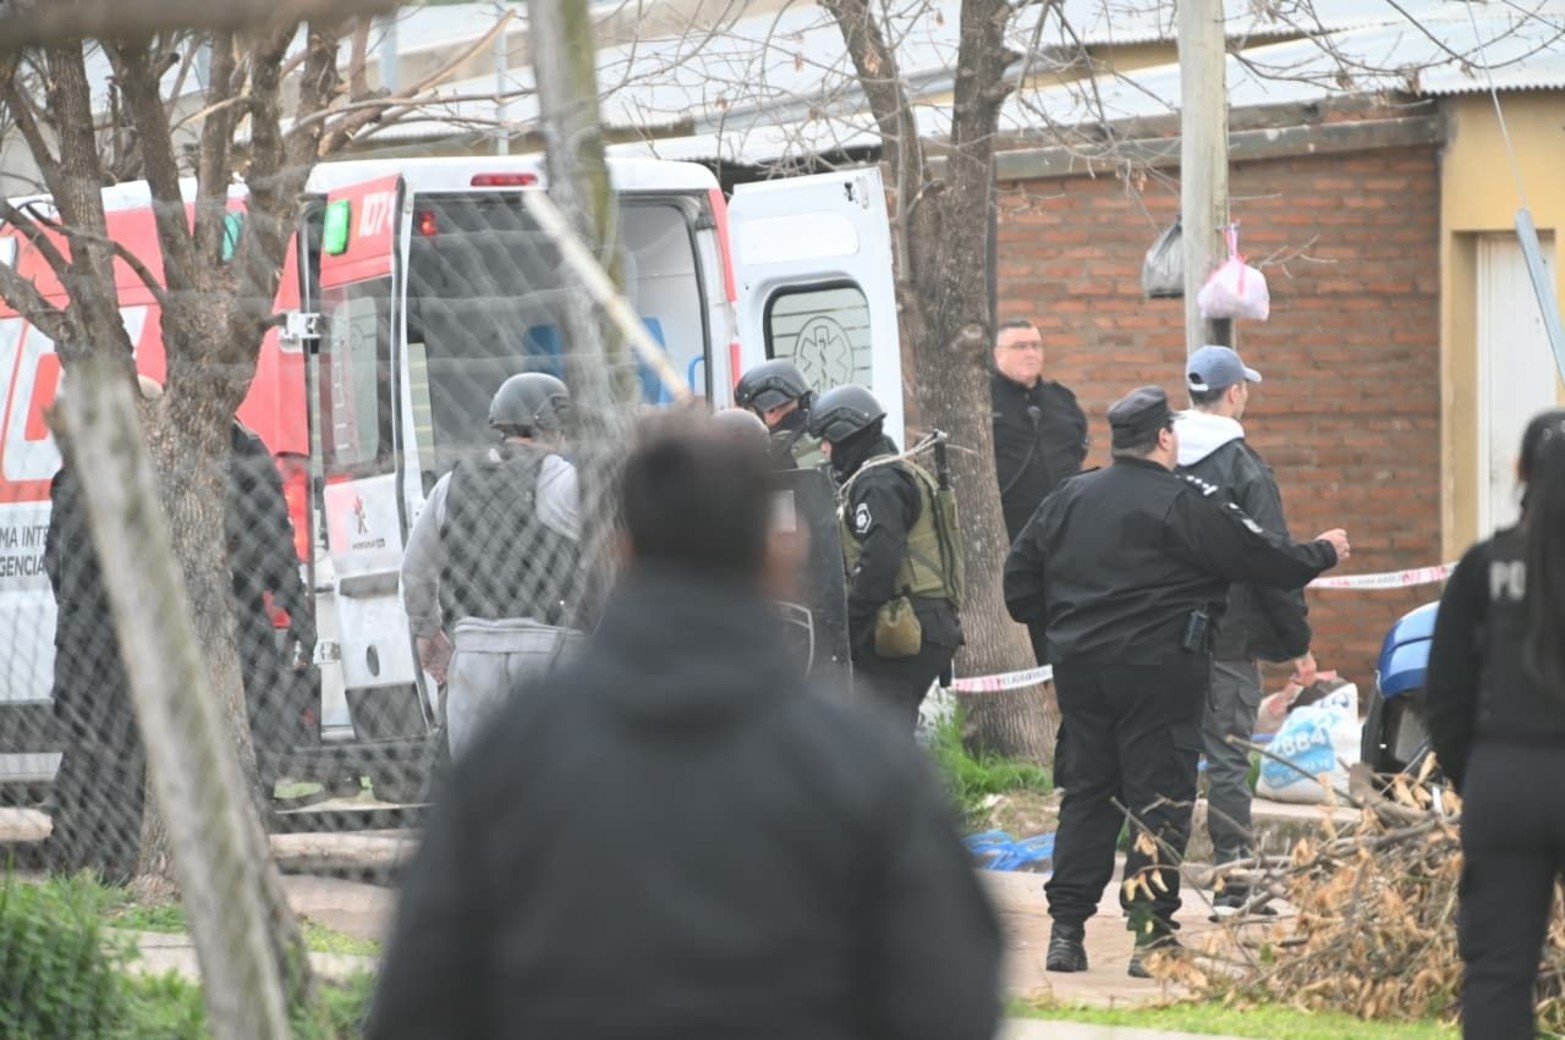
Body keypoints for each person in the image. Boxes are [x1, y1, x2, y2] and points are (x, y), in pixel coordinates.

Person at [365, 412, 1004, 1040]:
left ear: (624, 549)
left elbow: (421, 992)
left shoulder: (516, 753)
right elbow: (951, 996)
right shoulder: (863, 760)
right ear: (779, 551)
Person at [1003, 385, 1349, 978]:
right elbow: (1262, 558)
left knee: (1088, 794)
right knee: (1157, 798)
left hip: (1082, 673)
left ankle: (1067, 934)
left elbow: (1018, 585)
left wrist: (1067, 628)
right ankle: (1150, 938)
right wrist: (1322, 552)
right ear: (1166, 437)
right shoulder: (1186, 502)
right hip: (1162, 672)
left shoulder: (1069, 496)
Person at [1426, 408, 1565, 1040]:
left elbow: (1445, 696)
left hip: (1505, 780)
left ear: (1519, 472)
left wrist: (1473, 779)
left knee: (1498, 971)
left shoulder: (1484, 566)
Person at [1173, 345, 1315, 916]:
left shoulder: (1162, 455)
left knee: (1165, 760)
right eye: (1245, 388)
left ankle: (1155, 881)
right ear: (1233, 393)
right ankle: (1235, 883)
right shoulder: (1243, 467)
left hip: (1160, 639)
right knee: (1228, 758)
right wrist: (1298, 643)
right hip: (1225, 641)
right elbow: (1273, 563)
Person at [400, 372, 582, 761]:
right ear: (550, 424)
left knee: (481, 792)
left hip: (473, 653)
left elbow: (415, 570)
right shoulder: (566, 482)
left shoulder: (452, 485)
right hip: (552, 650)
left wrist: (427, 630)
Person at [807, 385, 963, 731]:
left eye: (827, 441)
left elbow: (880, 559)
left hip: (907, 625)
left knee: (881, 732)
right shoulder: (892, 470)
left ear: (844, 433)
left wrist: (847, 624)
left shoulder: (877, 482)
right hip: (922, 622)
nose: (824, 450)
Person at [228, 419, 316, 799]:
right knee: (254, 709)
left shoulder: (161, 446)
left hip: (207, 608)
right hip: (239, 606)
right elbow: (273, 538)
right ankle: (252, 803)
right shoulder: (244, 448)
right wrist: (298, 613)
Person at [734, 358, 824, 470]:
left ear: (771, 410)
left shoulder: (773, 456)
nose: (748, 419)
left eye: (750, 412)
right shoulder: (826, 438)